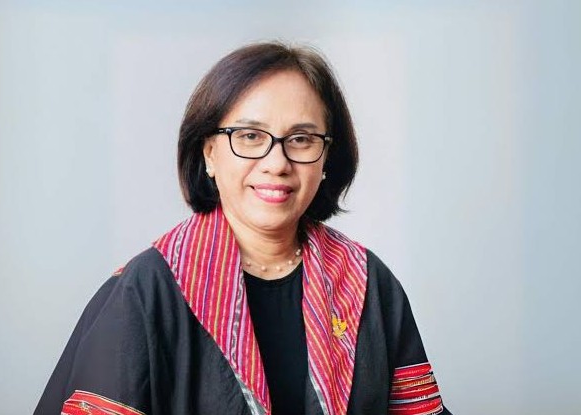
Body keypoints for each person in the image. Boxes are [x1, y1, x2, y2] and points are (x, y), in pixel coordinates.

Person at [34, 42, 453, 415]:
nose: (277, 163)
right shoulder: (149, 290)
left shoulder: (367, 282)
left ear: (326, 157)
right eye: (250, 136)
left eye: (301, 139)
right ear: (209, 153)